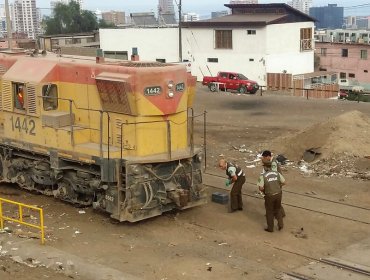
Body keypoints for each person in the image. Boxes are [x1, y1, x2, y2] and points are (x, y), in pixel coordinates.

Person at [257, 162, 285, 232]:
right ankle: (280, 225)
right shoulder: (277, 173)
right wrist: (277, 186)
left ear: (266, 168)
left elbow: (261, 188)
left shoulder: (263, 176)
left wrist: (265, 189)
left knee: (269, 211)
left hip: (269, 195)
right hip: (278, 194)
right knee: (277, 209)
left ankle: (270, 228)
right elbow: (284, 182)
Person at [261, 150, 286, 218]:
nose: (264, 159)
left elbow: (273, 173)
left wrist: (265, 165)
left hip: (276, 182)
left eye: (265, 157)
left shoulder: (274, 163)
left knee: (274, 198)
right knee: (275, 199)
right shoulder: (271, 161)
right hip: (274, 181)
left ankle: (279, 214)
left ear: (268, 156)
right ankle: (278, 213)